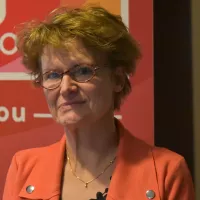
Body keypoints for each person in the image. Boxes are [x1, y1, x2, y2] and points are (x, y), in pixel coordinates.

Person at [3, 5, 195, 200]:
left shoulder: (166, 171)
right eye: (53, 74)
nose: (65, 87)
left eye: (83, 71)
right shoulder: (24, 168)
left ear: (118, 80)